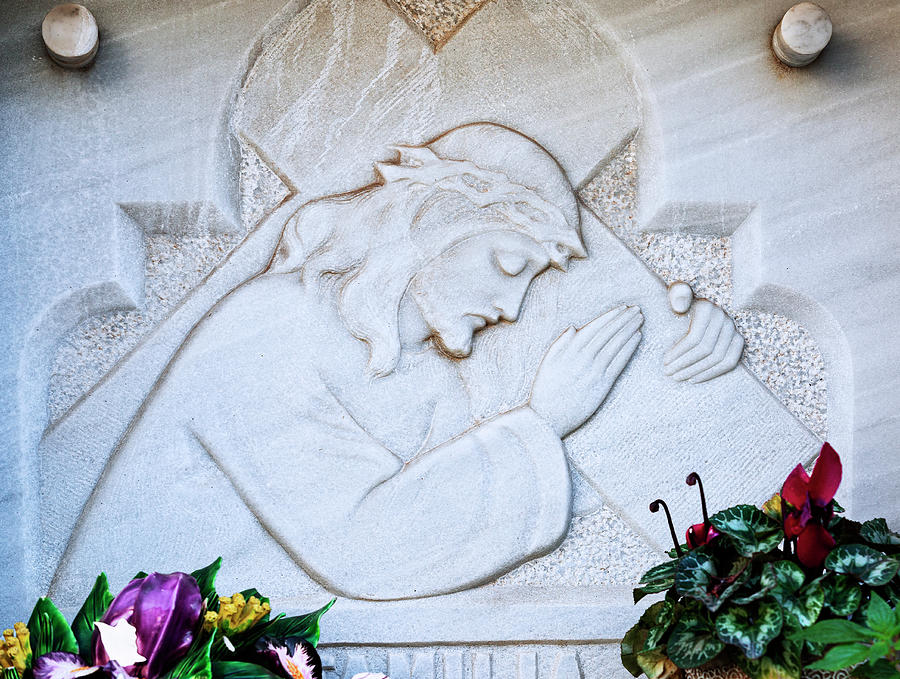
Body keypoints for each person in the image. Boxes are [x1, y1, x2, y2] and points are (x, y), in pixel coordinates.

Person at [61, 124, 733, 600]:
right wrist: (543, 422)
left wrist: (688, 330)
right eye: (508, 262)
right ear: (434, 217)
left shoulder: (424, 373)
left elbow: (570, 401)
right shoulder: (270, 323)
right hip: (133, 662)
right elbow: (363, 546)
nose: (512, 306)